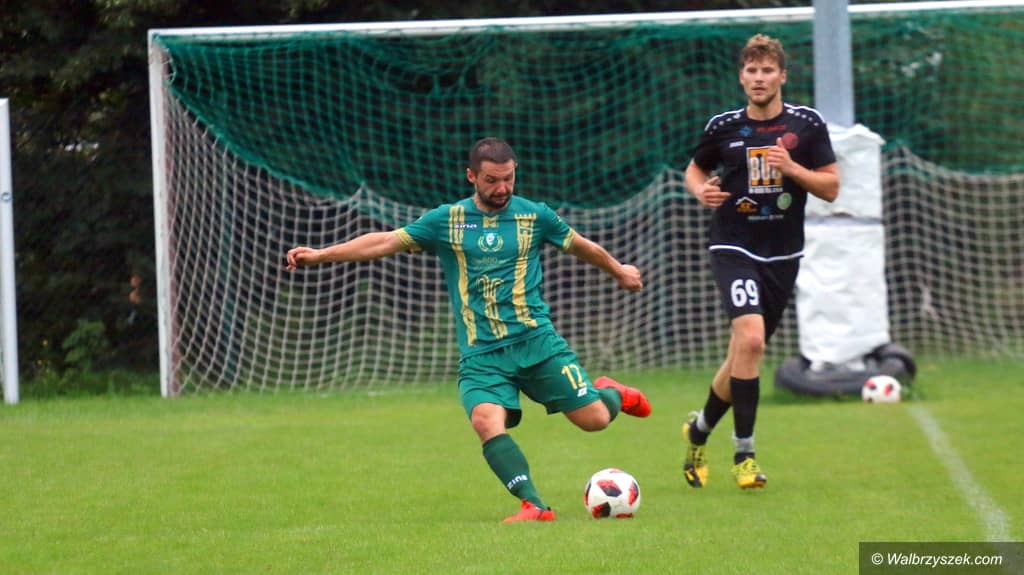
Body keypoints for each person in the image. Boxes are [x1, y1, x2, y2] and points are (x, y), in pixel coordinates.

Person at [286, 137, 651, 521]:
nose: (502, 188)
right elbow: (386, 241)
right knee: (484, 420)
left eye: (508, 178)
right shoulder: (448, 220)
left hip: (536, 342)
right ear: (471, 176)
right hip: (482, 353)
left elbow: (581, 245)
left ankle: (611, 393)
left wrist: (619, 271)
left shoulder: (535, 216)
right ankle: (534, 505)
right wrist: (322, 255)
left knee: (594, 420)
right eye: (492, 180)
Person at [681, 34, 839, 489]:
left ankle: (698, 431)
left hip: (783, 253)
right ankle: (744, 455)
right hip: (733, 245)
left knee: (743, 353)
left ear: (782, 76)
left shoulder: (807, 125)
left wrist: (792, 169)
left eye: (767, 70)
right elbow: (695, 168)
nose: (759, 78)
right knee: (751, 339)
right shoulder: (724, 126)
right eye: (751, 70)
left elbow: (831, 188)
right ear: (741, 77)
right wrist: (701, 190)